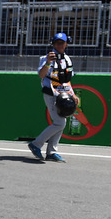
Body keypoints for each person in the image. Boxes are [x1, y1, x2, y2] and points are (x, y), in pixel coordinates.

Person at [27, 33, 79, 163]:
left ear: (67, 43)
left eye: (62, 42)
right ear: (53, 44)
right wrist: (48, 63)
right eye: (57, 43)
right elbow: (41, 75)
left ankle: (51, 152)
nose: (60, 45)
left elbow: (67, 80)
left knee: (61, 122)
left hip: (64, 94)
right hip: (50, 92)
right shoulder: (46, 58)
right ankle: (36, 144)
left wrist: (72, 94)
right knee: (60, 123)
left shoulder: (67, 59)